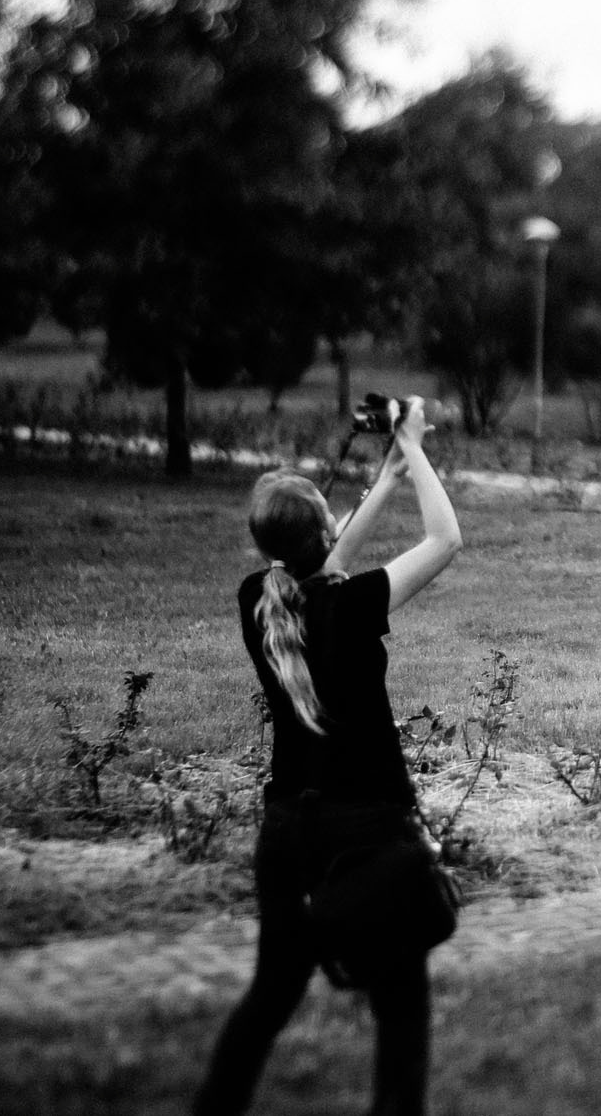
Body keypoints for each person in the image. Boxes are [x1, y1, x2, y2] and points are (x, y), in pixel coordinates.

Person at [195, 397, 461, 1116]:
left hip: (288, 831)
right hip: (367, 833)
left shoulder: (260, 600)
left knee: (271, 994)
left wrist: (390, 474)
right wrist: (417, 451)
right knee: (399, 1003)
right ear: (322, 533)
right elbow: (445, 540)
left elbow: (325, 560)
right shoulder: (351, 605)